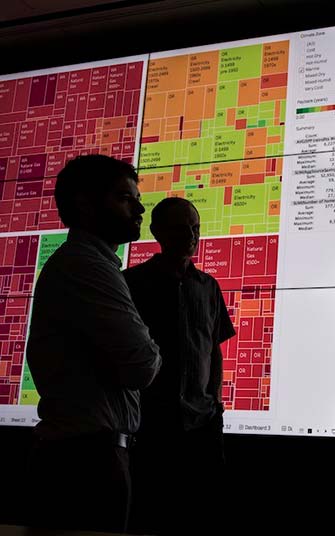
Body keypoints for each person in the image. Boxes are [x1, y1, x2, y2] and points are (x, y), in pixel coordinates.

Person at [25, 154, 162, 533]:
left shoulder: (89, 264)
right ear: (85, 204)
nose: (139, 207)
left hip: (85, 456)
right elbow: (142, 364)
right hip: (85, 463)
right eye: (124, 197)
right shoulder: (85, 266)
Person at [123, 196, 236, 534]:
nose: (191, 234)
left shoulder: (208, 286)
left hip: (202, 425)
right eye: (181, 227)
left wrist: (215, 400)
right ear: (157, 231)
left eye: (195, 227)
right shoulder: (133, 284)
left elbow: (213, 348)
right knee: (154, 513)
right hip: (152, 428)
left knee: (204, 514)